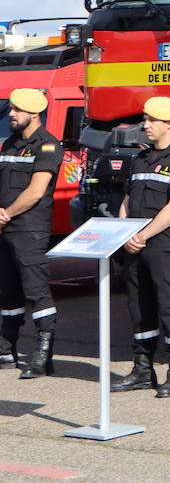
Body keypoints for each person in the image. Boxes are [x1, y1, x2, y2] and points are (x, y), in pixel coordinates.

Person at [110, 96, 170, 398]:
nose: (144, 125)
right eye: (144, 119)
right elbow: (126, 201)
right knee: (139, 306)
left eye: (151, 120)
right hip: (134, 245)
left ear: (169, 123)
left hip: (163, 246)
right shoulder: (140, 159)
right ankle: (142, 370)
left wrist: (142, 235)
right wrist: (125, 234)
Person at [0, 88, 62, 378]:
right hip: (5, 227)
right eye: (11, 109)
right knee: (7, 291)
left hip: (29, 228)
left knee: (36, 291)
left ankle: (43, 354)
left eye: (17, 110)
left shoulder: (48, 146)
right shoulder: (11, 144)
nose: (11, 114)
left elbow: (36, 191)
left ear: (35, 114)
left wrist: (7, 213)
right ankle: (6, 349)